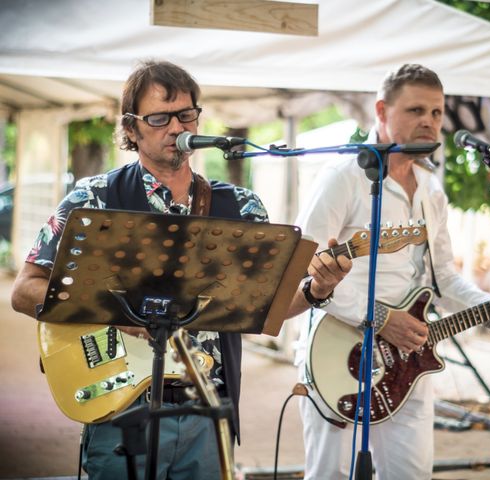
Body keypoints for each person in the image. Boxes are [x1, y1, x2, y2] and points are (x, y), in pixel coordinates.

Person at [10, 60, 351, 479]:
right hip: (120, 407)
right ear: (131, 129)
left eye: (186, 115)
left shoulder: (242, 208)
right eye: (159, 118)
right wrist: (117, 313)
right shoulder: (93, 198)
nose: (176, 128)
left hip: (208, 410)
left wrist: (318, 288)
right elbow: (25, 290)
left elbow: (269, 309)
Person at [294, 63, 490, 479]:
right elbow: (303, 269)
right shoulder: (342, 177)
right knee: (330, 474)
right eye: (416, 111)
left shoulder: (432, 189)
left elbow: (444, 279)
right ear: (381, 110)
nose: (429, 123)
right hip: (337, 353)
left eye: (436, 113)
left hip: (410, 361)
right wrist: (380, 318)